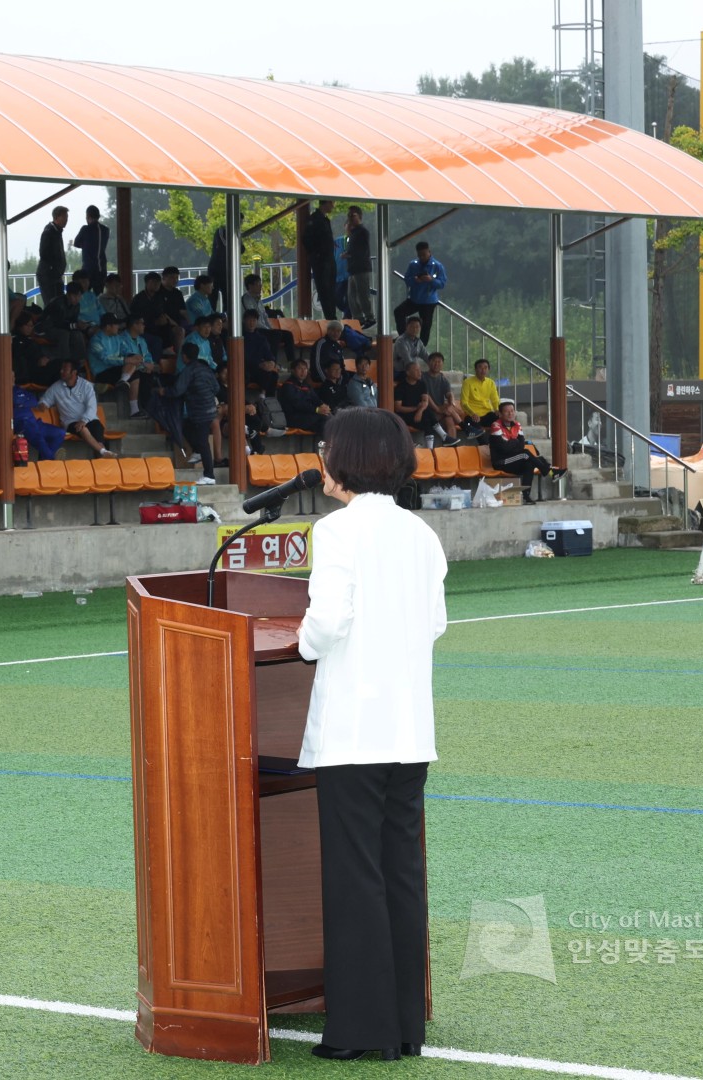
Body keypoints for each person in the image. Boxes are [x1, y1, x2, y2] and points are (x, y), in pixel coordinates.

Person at [295, 406, 446, 1063]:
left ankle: (360, 1032)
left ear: (347, 458)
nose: (322, 459)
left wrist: (303, 642)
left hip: (354, 731)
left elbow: (327, 622)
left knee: (355, 879)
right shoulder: (421, 534)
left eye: (327, 448)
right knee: (399, 875)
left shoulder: (337, 531)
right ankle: (404, 1027)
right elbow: (435, 624)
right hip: (410, 729)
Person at [487, 401, 562, 502]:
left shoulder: (517, 425)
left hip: (514, 460)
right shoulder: (495, 426)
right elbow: (503, 448)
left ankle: (526, 496)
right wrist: (515, 441)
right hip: (501, 462)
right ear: (500, 414)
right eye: (507, 411)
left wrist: (511, 443)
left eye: (512, 411)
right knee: (525, 453)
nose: (510, 413)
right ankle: (549, 471)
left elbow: (521, 445)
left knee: (529, 463)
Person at [41, 357, 114, 458]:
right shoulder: (56, 387)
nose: (61, 371)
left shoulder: (86, 385)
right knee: (82, 429)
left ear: (74, 372)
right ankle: (104, 453)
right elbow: (44, 401)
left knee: (98, 432)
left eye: (65, 369)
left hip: (90, 419)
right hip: (70, 422)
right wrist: (42, 405)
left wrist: (84, 420)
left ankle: (102, 455)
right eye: (61, 369)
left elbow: (92, 406)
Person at [169, 341, 220, 483]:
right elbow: (216, 388)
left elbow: (177, 390)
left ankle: (209, 476)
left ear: (184, 357)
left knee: (203, 442)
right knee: (185, 426)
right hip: (210, 409)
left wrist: (163, 391)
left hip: (200, 412)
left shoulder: (188, 371)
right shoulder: (206, 369)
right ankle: (197, 451)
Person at [394, 241, 446, 345]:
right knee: (398, 312)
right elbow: (407, 279)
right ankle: (404, 339)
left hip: (429, 301)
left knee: (426, 325)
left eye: (424, 254)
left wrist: (431, 280)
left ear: (429, 252)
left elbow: (442, 284)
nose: (422, 257)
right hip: (414, 299)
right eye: (419, 255)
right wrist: (415, 280)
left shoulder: (437, 266)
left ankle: (421, 347)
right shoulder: (413, 264)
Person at [393, 362, 446, 442]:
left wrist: (420, 411)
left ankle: (442, 438)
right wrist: (416, 409)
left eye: (420, 370)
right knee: (427, 418)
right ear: (408, 372)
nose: (419, 372)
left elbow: (425, 401)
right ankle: (443, 437)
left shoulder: (422, 384)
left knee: (427, 416)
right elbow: (398, 408)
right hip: (406, 415)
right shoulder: (400, 387)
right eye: (416, 370)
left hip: (419, 413)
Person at [305, 199, 338, 320]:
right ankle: (330, 317)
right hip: (321, 260)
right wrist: (317, 253)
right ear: (326, 203)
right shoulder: (315, 219)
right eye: (331, 203)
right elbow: (307, 239)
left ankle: (332, 316)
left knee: (331, 289)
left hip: (328, 258)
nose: (333, 206)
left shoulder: (324, 220)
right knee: (325, 290)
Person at [281, 357, 331, 435]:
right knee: (323, 419)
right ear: (293, 370)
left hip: (307, 415)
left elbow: (316, 400)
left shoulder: (306, 385)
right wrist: (316, 409)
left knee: (330, 418)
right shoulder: (288, 386)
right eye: (300, 368)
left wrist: (323, 406)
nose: (303, 371)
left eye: (305, 369)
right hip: (293, 417)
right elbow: (298, 404)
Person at [344, 206, 374, 328]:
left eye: (353, 215)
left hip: (361, 267)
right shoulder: (353, 233)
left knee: (363, 295)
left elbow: (361, 251)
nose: (350, 218)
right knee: (351, 296)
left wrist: (349, 254)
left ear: (359, 216)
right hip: (352, 268)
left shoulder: (362, 232)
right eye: (349, 216)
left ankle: (369, 317)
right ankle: (358, 319)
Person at [422, 353, 463, 440]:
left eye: (439, 362)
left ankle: (451, 446)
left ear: (442, 364)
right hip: (427, 411)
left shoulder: (443, 379)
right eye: (434, 361)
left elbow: (449, 394)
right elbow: (426, 396)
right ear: (429, 363)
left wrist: (451, 405)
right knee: (449, 411)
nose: (436, 364)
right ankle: (466, 427)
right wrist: (438, 409)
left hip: (441, 412)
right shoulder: (422, 377)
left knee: (450, 420)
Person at [36, 205, 68, 303]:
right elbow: (43, 253)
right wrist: (54, 267)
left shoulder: (57, 231)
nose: (66, 220)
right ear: (57, 217)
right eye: (64, 217)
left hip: (55, 275)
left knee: (59, 303)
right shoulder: (49, 231)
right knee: (51, 303)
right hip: (48, 275)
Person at [460, 358, 501, 428]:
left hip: (487, 413)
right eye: (480, 367)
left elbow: (495, 399)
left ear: (488, 370)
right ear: (475, 369)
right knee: (472, 425)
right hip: (472, 414)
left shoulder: (491, 382)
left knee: (502, 420)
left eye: (485, 368)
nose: (483, 370)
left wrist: (497, 410)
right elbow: (464, 402)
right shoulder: (467, 382)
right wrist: (472, 413)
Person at [72, 205, 109, 282]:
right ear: (98, 216)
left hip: (88, 269)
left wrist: (85, 245)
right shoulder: (105, 230)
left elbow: (76, 243)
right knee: (99, 289)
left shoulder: (85, 229)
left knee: (84, 288)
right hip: (101, 268)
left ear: (88, 216)